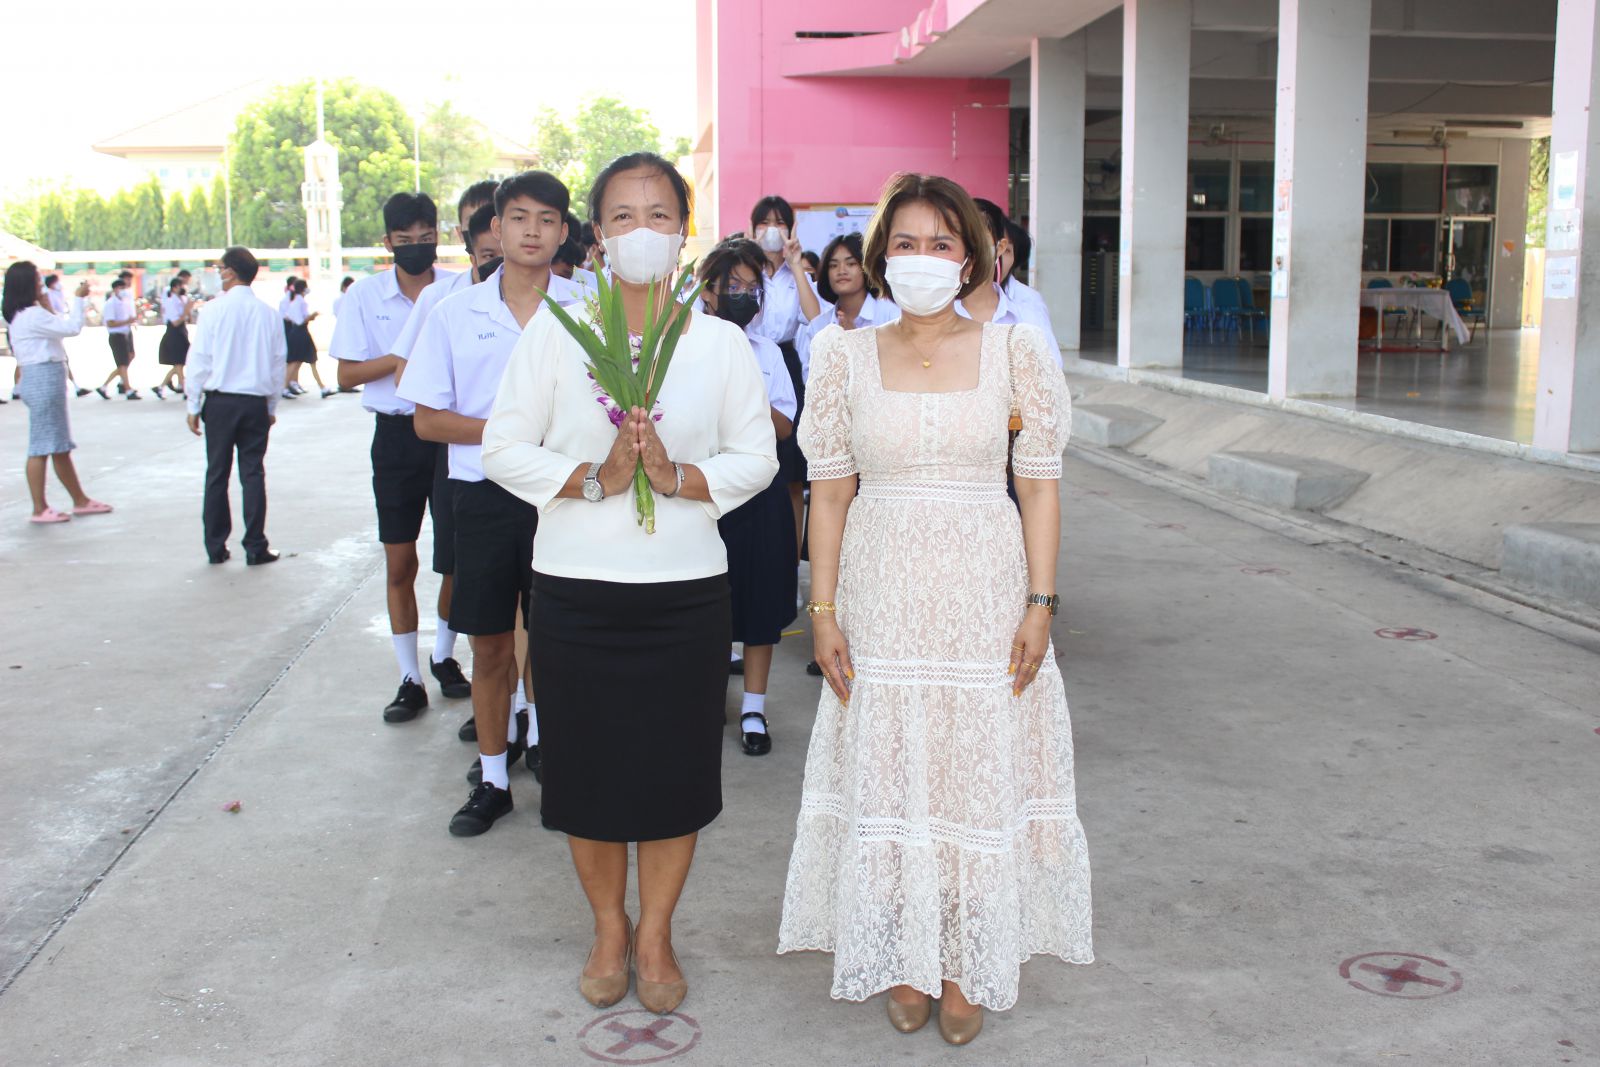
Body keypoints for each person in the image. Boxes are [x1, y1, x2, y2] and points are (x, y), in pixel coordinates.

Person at [778, 173, 1092, 1046]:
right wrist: (823, 609)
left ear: (972, 257)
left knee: (968, 771)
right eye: (907, 243)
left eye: (942, 243)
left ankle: (963, 963)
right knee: (892, 766)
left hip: (984, 591)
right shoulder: (841, 356)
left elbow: (1040, 486)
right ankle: (909, 958)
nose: (923, 258)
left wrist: (1040, 603)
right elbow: (830, 493)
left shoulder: (1016, 351)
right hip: (881, 593)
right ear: (882, 257)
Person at [481, 152, 777, 1016]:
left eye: (658, 215)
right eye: (621, 216)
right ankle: (610, 928)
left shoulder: (718, 343)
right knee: (588, 776)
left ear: (683, 232)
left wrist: (680, 477)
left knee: (674, 774)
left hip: (685, 592)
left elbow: (757, 457)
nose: (640, 230)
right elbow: (502, 447)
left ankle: (657, 934)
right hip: (577, 591)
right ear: (597, 235)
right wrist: (594, 478)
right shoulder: (558, 333)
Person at [399, 171, 586, 836]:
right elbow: (427, 420)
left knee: (559, 643)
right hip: (482, 497)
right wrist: (510, 435)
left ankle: (555, 759)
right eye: (519, 218)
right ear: (495, 228)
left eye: (547, 219)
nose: (532, 231)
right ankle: (494, 779)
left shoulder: (588, 311)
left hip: (563, 497)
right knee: (491, 646)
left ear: (563, 232)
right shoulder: (455, 314)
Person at [332, 192, 467, 724]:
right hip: (394, 436)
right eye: (405, 240)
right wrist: (404, 355)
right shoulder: (365, 295)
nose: (417, 247)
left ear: (440, 236)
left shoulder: (457, 288)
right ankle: (409, 677)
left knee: (454, 558)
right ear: (387, 242)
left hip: (446, 436)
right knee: (400, 560)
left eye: (425, 238)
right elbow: (346, 374)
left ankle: (444, 655)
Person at [698, 239, 797, 758]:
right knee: (708, 600)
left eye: (752, 287)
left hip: (759, 491)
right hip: (703, 490)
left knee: (759, 603)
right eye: (731, 284)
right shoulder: (685, 346)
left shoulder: (768, 353)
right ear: (707, 288)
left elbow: (783, 426)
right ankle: (708, 697)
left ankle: (754, 707)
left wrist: (744, 392)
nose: (742, 295)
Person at [183, 247, 287, 565]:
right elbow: (277, 364)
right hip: (254, 403)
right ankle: (255, 546)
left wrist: (193, 403)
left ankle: (216, 547)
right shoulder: (268, 314)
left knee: (217, 473)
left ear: (230, 272)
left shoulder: (213, 311)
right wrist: (271, 407)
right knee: (252, 473)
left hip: (220, 402)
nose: (219, 274)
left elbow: (199, 360)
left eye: (220, 269)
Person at [3, 262, 113, 523]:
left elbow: (56, 327)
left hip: (41, 378)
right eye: (37, 280)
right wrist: (79, 299)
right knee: (42, 446)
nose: (41, 285)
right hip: (43, 378)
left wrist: (45, 304)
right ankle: (40, 508)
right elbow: (71, 328)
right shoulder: (32, 315)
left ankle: (79, 500)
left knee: (58, 445)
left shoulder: (26, 314)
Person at [748, 195, 823, 561]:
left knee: (792, 472)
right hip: (748, 355)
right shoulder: (746, 268)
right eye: (764, 222)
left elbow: (815, 317)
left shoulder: (797, 275)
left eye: (779, 222)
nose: (771, 230)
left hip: (787, 362)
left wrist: (795, 264)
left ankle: (790, 563)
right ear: (752, 229)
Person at [955, 199, 1062, 366]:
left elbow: (1051, 372)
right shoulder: (932, 314)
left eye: (978, 240)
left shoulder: (1029, 316)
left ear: (1000, 247)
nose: (969, 250)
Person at [796, 231, 900, 382]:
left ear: (865, 268)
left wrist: (855, 342)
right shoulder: (818, 327)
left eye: (851, 264)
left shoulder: (891, 315)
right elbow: (813, 383)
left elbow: (899, 375)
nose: (841, 271)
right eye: (833, 265)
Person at [280, 277, 332, 398]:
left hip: (300, 333)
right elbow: (300, 321)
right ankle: (285, 387)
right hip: (300, 334)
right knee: (296, 362)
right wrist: (312, 315)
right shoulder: (298, 302)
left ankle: (322, 387)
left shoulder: (296, 301)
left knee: (303, 361)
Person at [96, 276, 145, 400]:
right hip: (116, 336)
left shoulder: (125, 301)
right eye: (121, 288)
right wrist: (126, 321)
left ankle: (104, 386)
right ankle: (127, 389)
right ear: (115, 289)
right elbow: (110, 323)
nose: (124, 290)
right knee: (122, 364)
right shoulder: (111, 303)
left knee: (127, 360)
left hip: (126, 334)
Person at [156, 271, 194, 397]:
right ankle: (184, 388)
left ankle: (161, 387)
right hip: (174, 332)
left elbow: (187, 318)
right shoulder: (170, 300)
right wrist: (186, 311)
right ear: (174, 287)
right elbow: (175, 322)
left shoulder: (181, 298)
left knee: (180, 363)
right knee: (178, 363)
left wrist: (188, 311)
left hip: (181, 331)